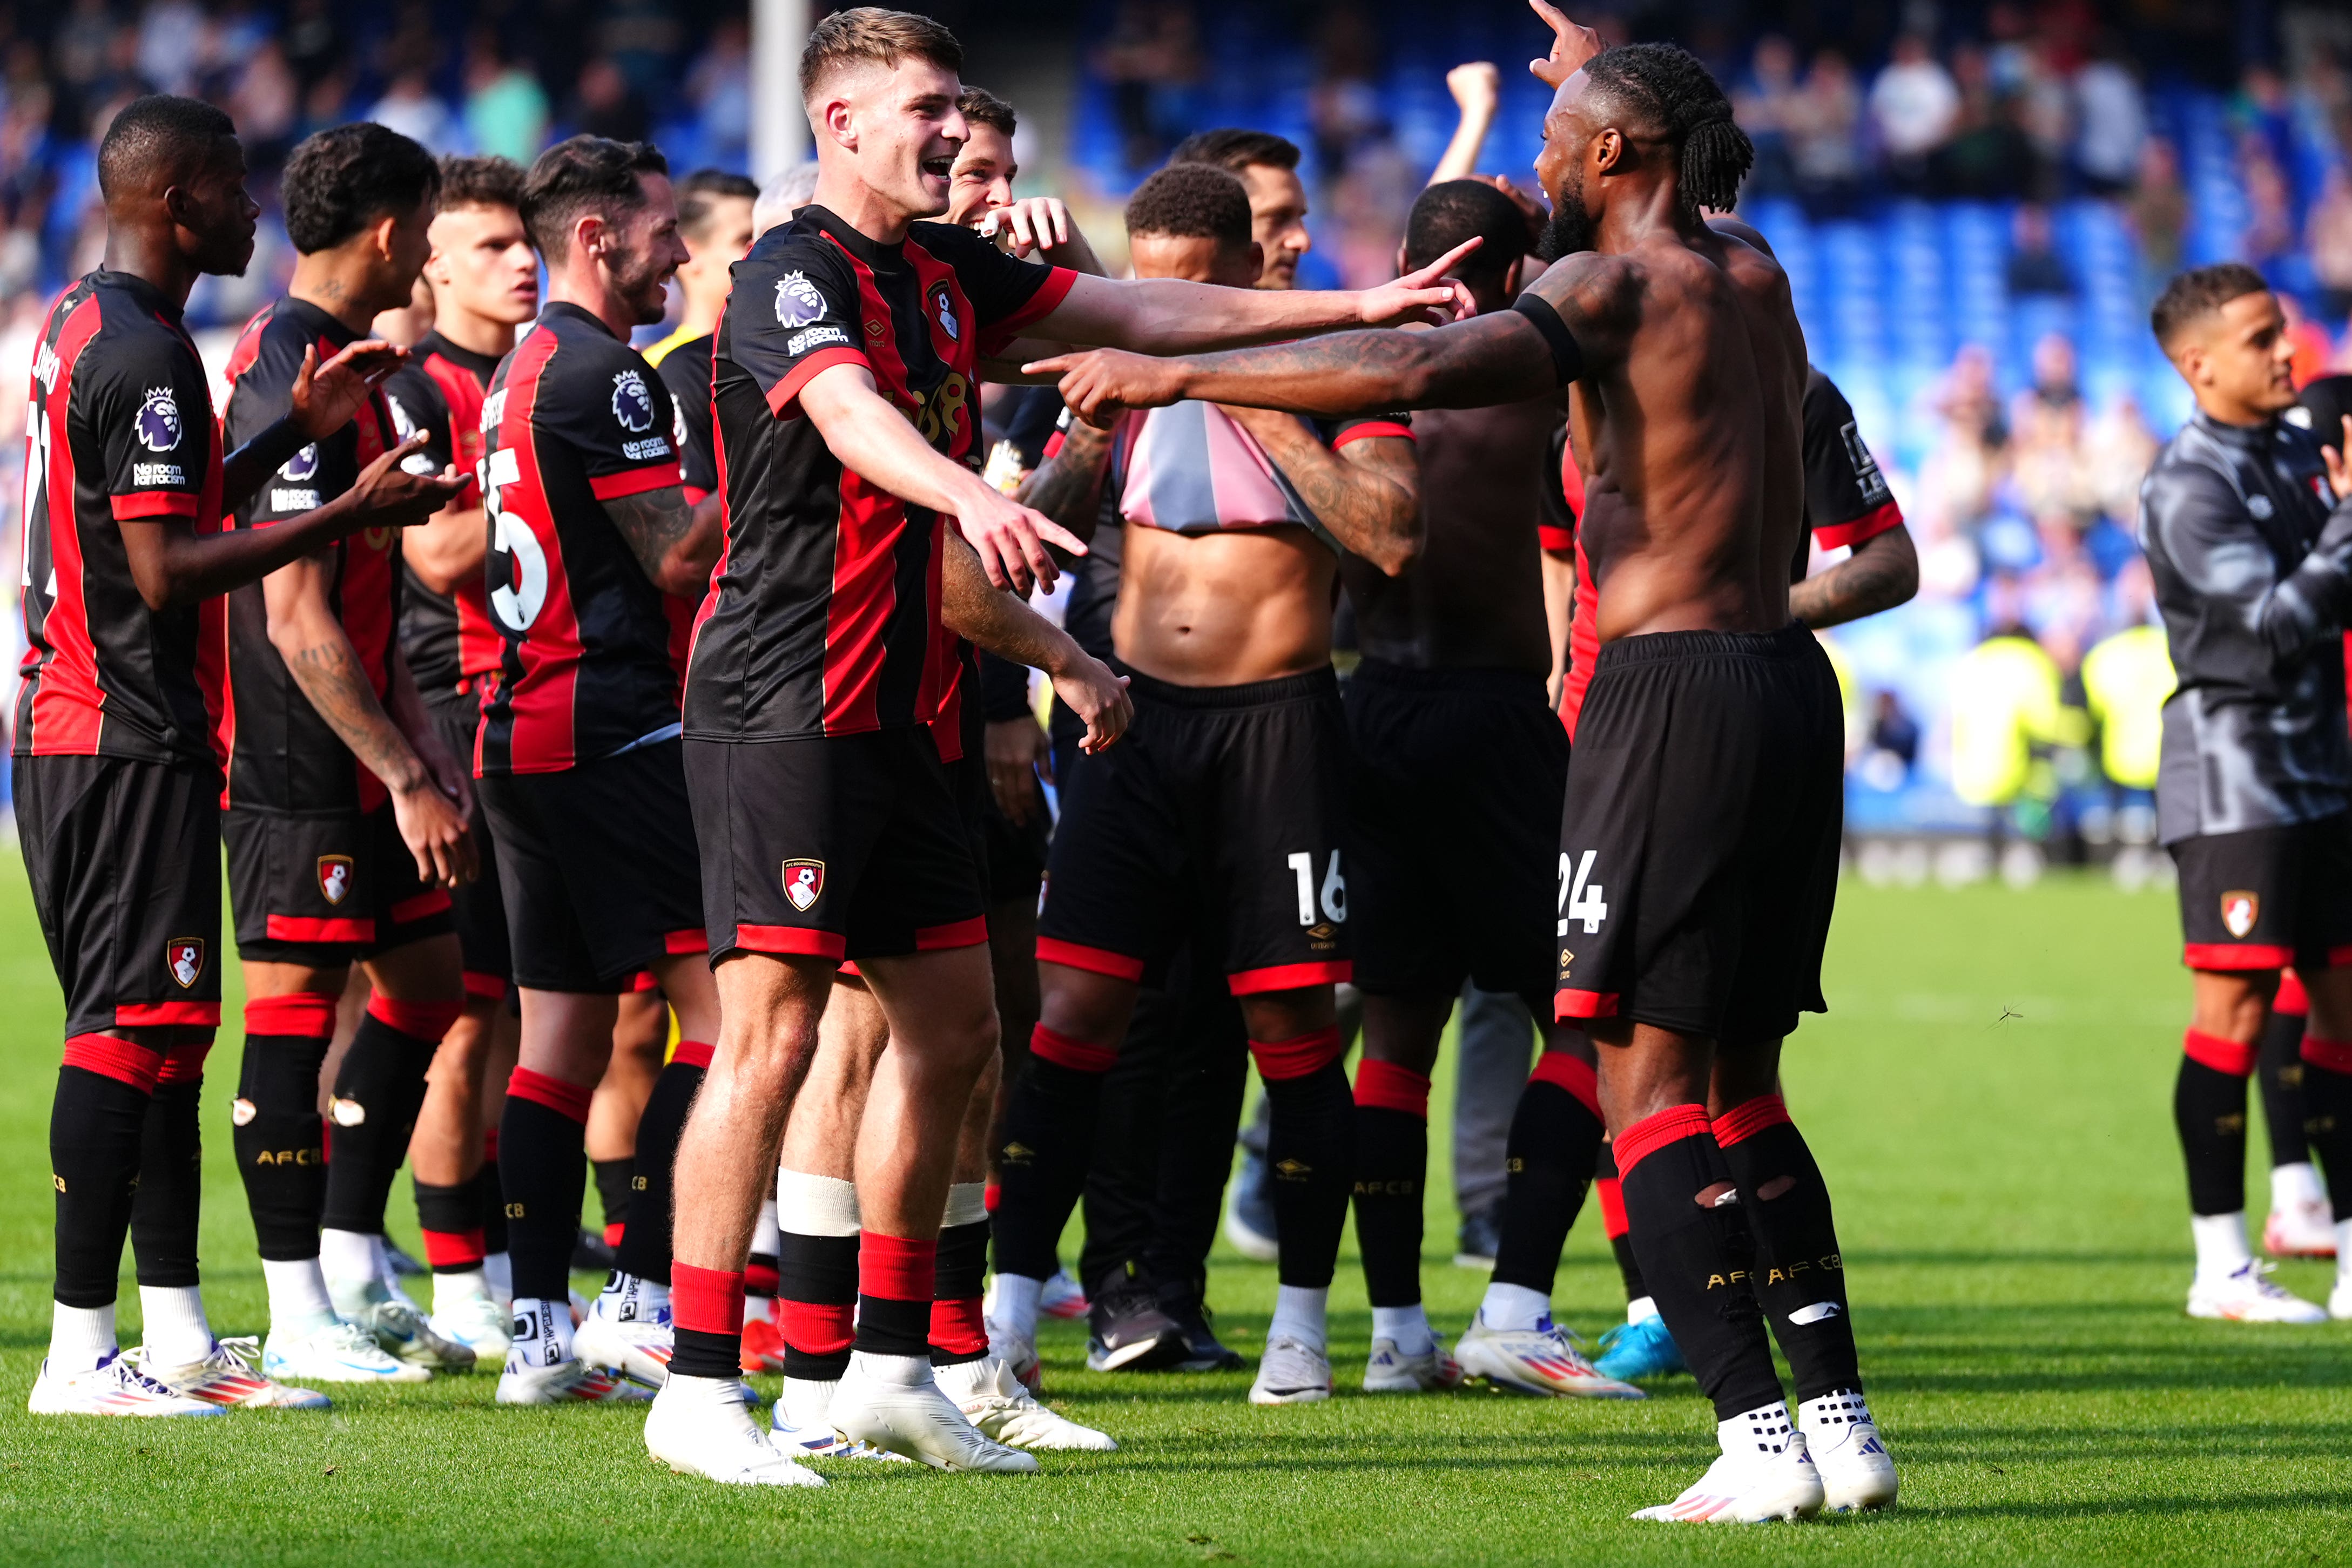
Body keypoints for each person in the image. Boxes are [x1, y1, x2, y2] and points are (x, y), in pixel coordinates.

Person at [1033, 5, 1898, 1521]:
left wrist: (1180, 378)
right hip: (1780, 686)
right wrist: (1590, 77)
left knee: (1640, 1080)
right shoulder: (1750, 273)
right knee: (1745, 1081)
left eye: (1561, 143)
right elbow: (1654, 162)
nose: (1542, 166)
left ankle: (1752, 1439)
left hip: (1665, 696)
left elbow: (1432, 372)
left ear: (1613, 156)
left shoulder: (1605, 280)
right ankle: (1836, 1421)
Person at [646, 4, 1472, 1486]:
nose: (954, 131)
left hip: (903, 715)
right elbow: (845, 419)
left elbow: (1149, 318)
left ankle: (895, 1370)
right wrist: (965, 496)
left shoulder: (940, 267)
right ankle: (704, 1387)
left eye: (960, 105)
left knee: (959, 1036)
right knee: (770, 1036)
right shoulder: (792, 271)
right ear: (837, 121)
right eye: (925, 108)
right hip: (782, 709)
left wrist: (1357, 311)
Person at [21, 93, 462, 1418]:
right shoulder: (150, 357)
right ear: (176, 203)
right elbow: (164, 573)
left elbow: (156, 515)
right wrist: (348, 505)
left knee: (167, 1034)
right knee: (125, 1033)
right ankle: (77, 1355)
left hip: (108, 729)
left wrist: (288, 434)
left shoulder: (93, 321)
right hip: (120, 732)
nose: (251, 206)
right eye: (229, 185)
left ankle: (174, 1338)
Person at [988, 159, 1426, 1409]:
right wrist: (1086, 426)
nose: (1160, 314)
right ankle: (1012, 1316)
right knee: (1072, 1019)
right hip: (1132, 723)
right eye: (1147, 292)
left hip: (1278, 728)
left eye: (1190, 294)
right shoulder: (1116, 367)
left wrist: (1227, 382)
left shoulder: (1338, 359)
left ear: (1242, 274)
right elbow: (1040, 543)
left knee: (1291, 1035)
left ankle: (1299, 1325)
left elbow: (1389, 535)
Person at [760, 81, 1116, 1460]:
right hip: (885, 716)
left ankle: (945, 1355)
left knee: (969, 1050)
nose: (983, 191)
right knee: (852, 1040)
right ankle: (825, 1362)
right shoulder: (858, 297)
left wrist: (1073, 363)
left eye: (999, 173)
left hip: (961, 715)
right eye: (964, 167)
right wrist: (1045, 677)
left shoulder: (967, 313)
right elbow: (958, 556)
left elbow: (1051, 509)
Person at [1329, 177, 1639, 1401]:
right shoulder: (1527, 376)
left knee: (1397, 1032)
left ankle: (1397, 1331)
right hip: (1498, 720)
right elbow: (1604, 283)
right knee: (1588, 1016)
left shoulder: (1355, 364)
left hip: (1377, 712)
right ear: (1516, 278)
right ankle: (1515, 1304)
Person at [218, 121, 480, 1387]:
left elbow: (365, 591)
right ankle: (297, 1307)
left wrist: (425, 748)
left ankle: (349, 1255)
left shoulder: (352, 362)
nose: (429, 251)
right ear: (389, 232)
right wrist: (405, 773)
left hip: (371, 741)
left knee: (433, 986)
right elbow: (296, 613)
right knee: (290, 1015)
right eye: (428, 227)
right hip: (297, 755)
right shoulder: (291, 369)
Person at [469, 134, 727, 1405]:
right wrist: (781, 441)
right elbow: (679, 559)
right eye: (663, 229)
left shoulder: (516, 369)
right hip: (613, 728)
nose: (677, 251)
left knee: (558, 1042)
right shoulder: (605, 374)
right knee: (728, 1022)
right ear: (599, 237)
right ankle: (643, 1296)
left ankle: (537, 1340)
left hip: (522, 733)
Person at [2139, 263, 2352, 1326]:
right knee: (2236, 1010)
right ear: (2199, 364)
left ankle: (2350, 1250)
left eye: (2284, 331)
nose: (2288, 351)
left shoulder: (2296, 455)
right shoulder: (2185, 485)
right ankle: (2220, 1265)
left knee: (2344, 1014)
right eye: (2264, 337)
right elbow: (2267, 629)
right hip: (2236, 784)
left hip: (2323, 771)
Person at [375, 152, 541, 1358]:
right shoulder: (423, 387)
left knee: (529, 1011)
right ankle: (455, 1280)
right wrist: (568, 478)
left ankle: (486, 1266)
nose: (520, 260)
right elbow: (436, 561)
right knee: (472, 1011)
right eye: (489, 246)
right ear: (429, 266)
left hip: (527, 701)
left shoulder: (525, 371)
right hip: (451, 704)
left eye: (525, 239)